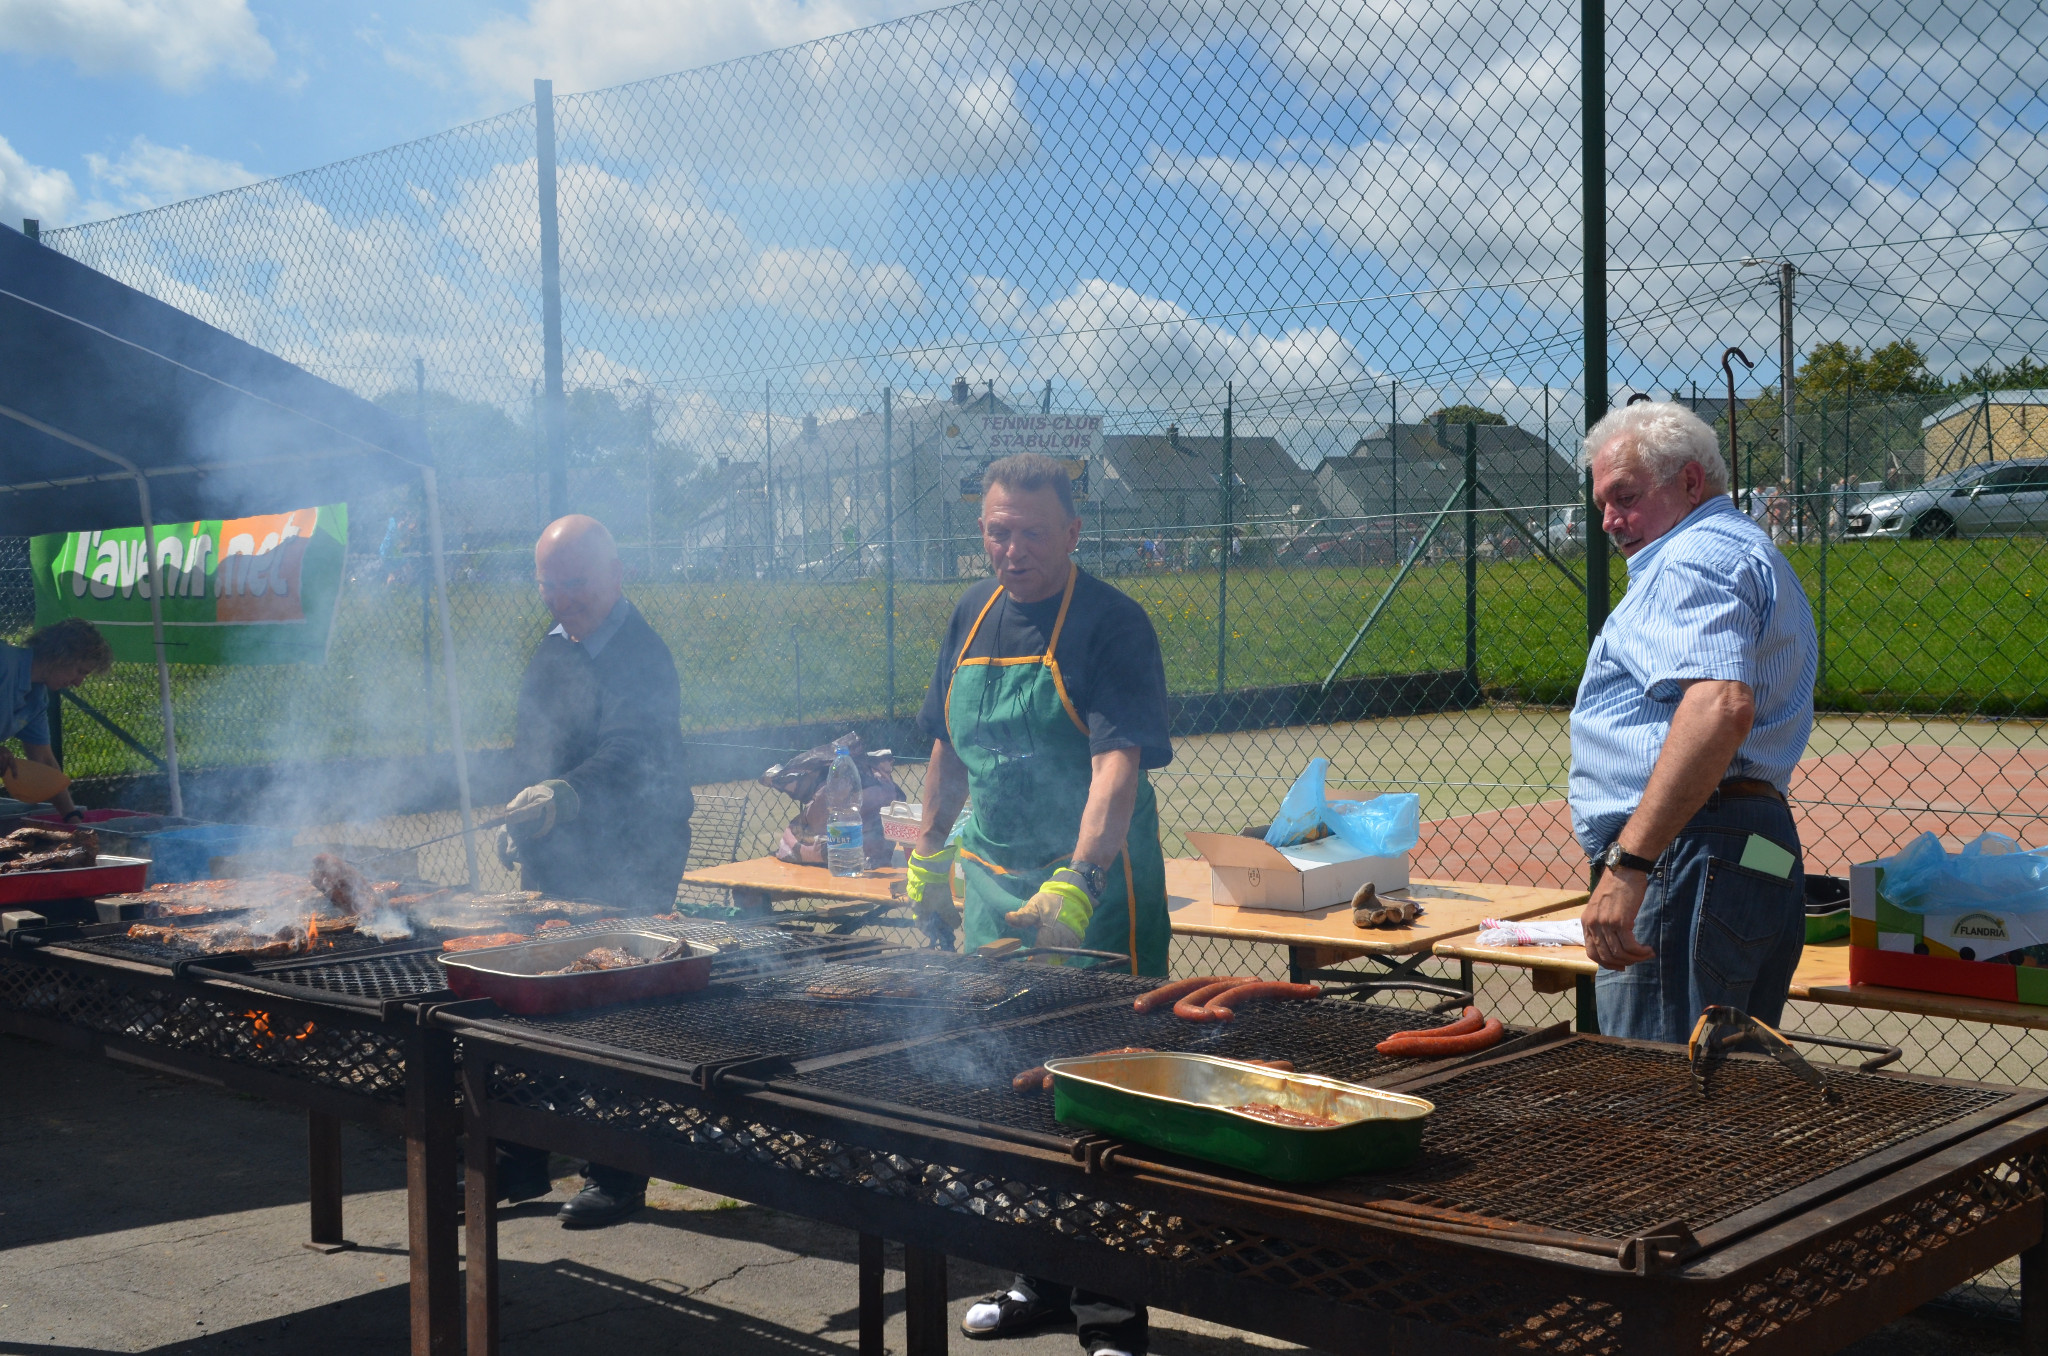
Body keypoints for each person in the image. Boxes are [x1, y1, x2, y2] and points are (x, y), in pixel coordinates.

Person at [905, 453, 1171, 1356]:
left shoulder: (1112, 623)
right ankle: (1037, 1280)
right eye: (994, 530)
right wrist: (930, 857)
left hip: (1094, 891)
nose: (1008, 549)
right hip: (989, 880)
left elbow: (1116, 766)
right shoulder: (968, 615)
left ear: (1071, 531)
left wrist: (1079, 879)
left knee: (1100, 1097)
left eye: (1027, 532)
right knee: (1008, 1085)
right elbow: (944, 744)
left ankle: (1113, 1313)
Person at [1571, 402, 1818, 1044]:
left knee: (1662, 1112)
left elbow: (1720, 706)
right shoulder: (1750, 550)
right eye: (1601, 504)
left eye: (1624, 496)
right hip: (1758, 845)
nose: (1609, 521)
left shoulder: (1690, 559)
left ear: (1689, 482)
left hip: (1688, 854)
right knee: (1726, 1102)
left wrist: (1629, 866)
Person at [492, 514, 694, 1228]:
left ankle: (617, 1174)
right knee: (529, 1005)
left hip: (634, 854)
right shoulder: (551, 651)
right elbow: (531, 747)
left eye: (574, 583)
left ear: (616, 575)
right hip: (557, 856)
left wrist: (565, 794)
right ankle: (518, 1161)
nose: (561, 598)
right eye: (549, 584)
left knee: (616, 1016)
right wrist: (522, 814)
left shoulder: (642, 653)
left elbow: (634, 752)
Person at [0, 619, 114, 821]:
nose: (79, 683)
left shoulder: (35, 699)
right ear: (61, 655)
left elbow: (44, 761)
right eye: (80, 671)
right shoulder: (4, 662)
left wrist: (72, 816)